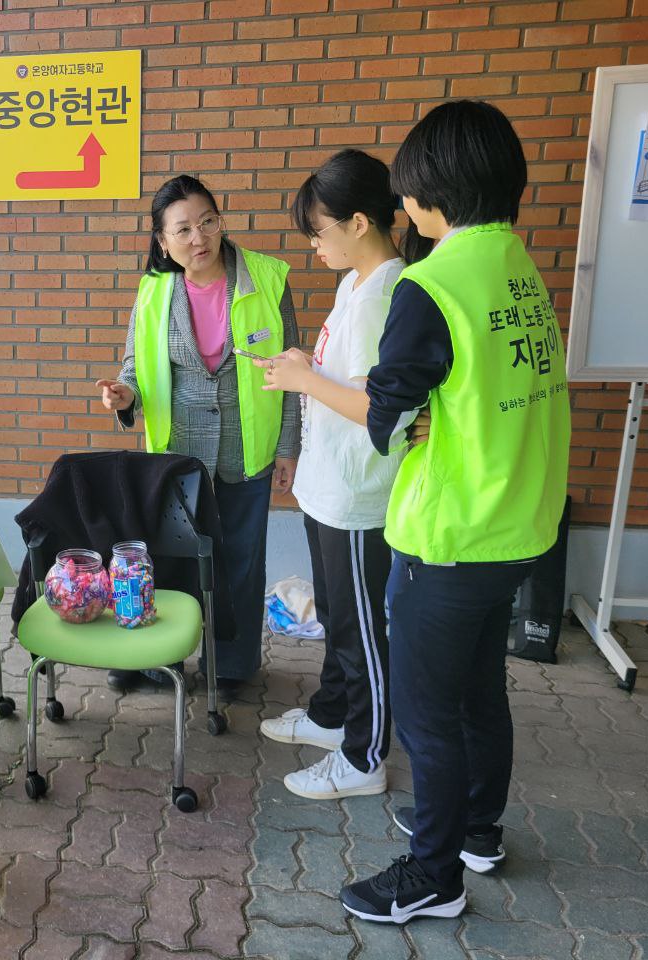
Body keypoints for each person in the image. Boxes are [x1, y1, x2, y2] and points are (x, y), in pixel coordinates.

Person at [280, 101, 570, 924]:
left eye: (409, 198)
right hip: (521, 522)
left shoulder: (431, 283)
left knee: (432, 715)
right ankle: (477, 830)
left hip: (451, 533)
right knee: (481, 690)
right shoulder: (519, 266)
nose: (407, 212)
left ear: (433, 196)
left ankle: (433, 874)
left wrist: (327, 383)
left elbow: (386, 419)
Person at [97, 174, 301, 700]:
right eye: (183, 229)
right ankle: (153, 659)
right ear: (162, 241)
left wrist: (287, 449)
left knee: (240, 560)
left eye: (207, 221)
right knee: (166, 558)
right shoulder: (154, 291)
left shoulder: (267, 279)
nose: (199, 238)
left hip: (246, 445)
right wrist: (124, 396)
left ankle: (230, 665)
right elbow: (133, 367)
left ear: (221, 221)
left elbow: (292, 370)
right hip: (177, 452)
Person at [257, 150, 412, 802]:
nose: (315, 245)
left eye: (319, 231)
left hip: (358, 495)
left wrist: (303, 379)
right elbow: (342, 379)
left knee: (359, 633)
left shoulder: (388, 295)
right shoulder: (356, 284)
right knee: (338, 624)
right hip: (330, 485)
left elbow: (384, 408)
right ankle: (330, 717)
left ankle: (364, 756)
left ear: (357, 221)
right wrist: (303, 367)